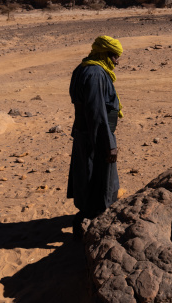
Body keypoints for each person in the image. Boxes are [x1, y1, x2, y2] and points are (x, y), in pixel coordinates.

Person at [67, 35, 124, 238]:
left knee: (89, 176)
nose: (117, 61)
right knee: (100, 180)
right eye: (114, 56)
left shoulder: (84, 67)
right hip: (96, 136)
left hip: (87, 133)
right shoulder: (95, 74)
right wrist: (108, 144)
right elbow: (96, 112)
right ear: (104, 53)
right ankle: (93, 225)